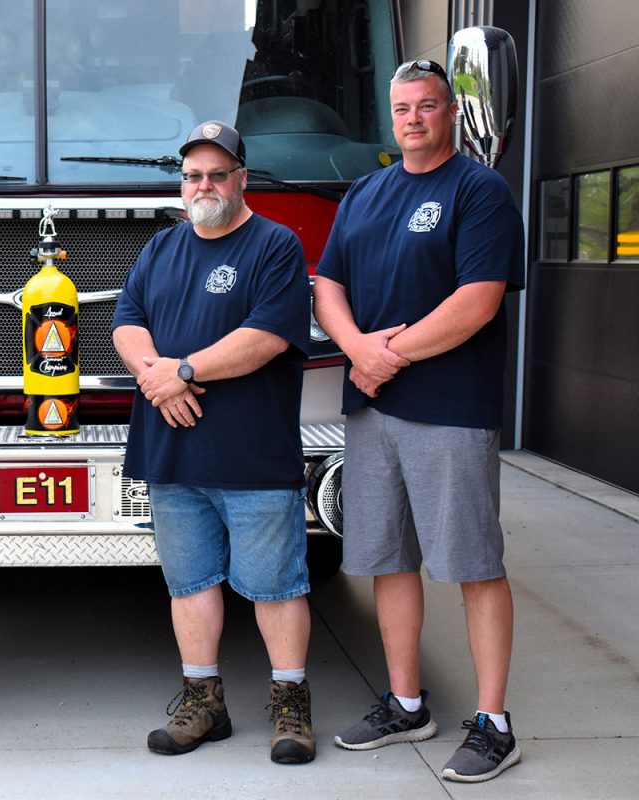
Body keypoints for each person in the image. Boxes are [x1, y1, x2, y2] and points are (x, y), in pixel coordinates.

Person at [313, 59, 525, 783]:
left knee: (471, 563)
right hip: (373, 412)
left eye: (427, 106)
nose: (412, 119)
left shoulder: (479, 190)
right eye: (402, 107)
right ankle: (407, 703)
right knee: (388, 560)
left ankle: (494, 723)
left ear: (449, 114)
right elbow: (329, 283)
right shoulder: (366, 192)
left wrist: (385, 355)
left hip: (450, 411)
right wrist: (354, 348)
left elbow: (478, 300)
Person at [113, 120, 315, 764]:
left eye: (217, 173)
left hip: (252, 456)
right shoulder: (161, 248)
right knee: (190, 584)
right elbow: (126, 322)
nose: (204, 185)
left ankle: (291, 707)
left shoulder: (275, 246)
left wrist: (185, 370)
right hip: (174, 458)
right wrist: (157, 377)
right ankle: (204, 702)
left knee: (277, 586)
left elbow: (268, 336)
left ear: (241, 178)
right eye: (193, 175)